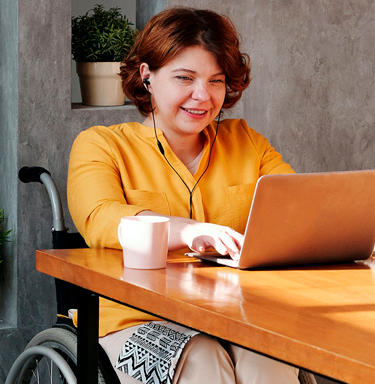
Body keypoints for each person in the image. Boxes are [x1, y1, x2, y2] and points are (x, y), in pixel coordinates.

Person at [67, 7, 300, 384]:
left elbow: (298, 206)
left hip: (234, 313)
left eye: (216, 80)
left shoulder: (248, 143)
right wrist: (188, 230)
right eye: (184, 78)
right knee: (203, 361)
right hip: (133, 317)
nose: (202, 96)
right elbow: (100, 217)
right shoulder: (101, 145)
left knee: (268, 359)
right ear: (147, 76)